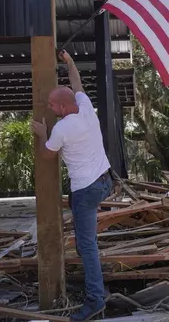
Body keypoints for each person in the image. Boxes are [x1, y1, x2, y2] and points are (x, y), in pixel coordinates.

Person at [31, 49, 111, 322]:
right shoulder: (86, 108)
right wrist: (69, 61)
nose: (50, 109)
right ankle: (97, 286)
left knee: (86, 247)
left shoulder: (62, 129)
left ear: (63, 108)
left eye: (52, 106)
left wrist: (42, 135)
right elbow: (76, 85)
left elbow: (47, 154)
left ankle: (95, 300)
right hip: (104, 181)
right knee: (85, 244)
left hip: (86, 191)